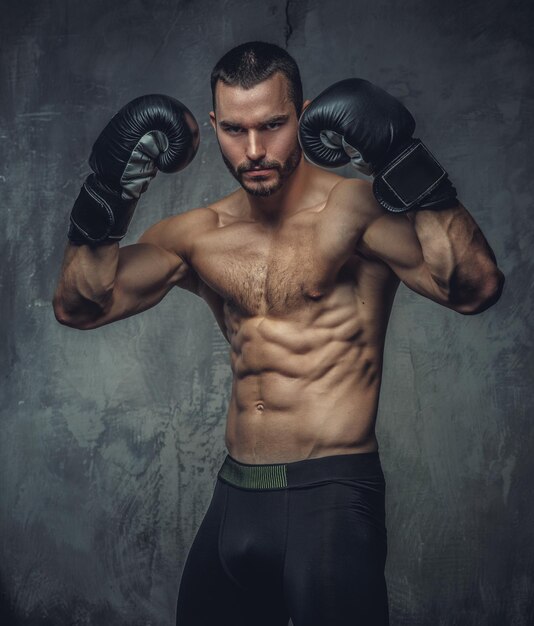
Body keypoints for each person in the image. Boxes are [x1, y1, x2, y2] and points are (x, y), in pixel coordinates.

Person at [53, 41, 504, 626]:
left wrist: (407, 163)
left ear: (304, 114)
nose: (255, 150)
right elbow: (81, 305)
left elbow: (473, 288)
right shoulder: (196, 234)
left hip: (331, 500)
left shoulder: (355, 212)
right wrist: (109, 189)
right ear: (212, 126)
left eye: (273, 125)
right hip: (234, 498)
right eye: (236, 131)